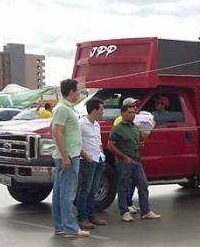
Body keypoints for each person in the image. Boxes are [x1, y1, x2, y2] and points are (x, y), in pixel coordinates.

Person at [49, 79, 89, 238]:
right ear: (71, 92)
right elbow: (57, 132)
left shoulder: (65, 108)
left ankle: (60, 225)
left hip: (68, 154)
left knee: (60, 192)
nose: (79, 93)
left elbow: (54, 129)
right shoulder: (63, 109)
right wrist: (66, 156)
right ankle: (70, 228)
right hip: (69, 156)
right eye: (77, 91)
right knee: (68, 192)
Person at [108, 100, 160, 221]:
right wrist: (124, 157)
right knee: (123, 186)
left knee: (143, 185)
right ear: (123, 113)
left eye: (134, 112)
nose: (132, 115)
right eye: (130, 112)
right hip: (124, 162)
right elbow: (110, 146)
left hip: (136, 160)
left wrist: (139, 146)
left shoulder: (135, 127)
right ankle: (124, 211)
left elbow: (136, 142)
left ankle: (145, 211)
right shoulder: (117, 128)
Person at [75, 98, 108, 231]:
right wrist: (86, 156)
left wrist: (102, 155)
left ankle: (91, 216)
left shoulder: (96, 125)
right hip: (87, 161)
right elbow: (76, 143)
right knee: (85, 189)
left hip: (98, 159)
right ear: (94, 110)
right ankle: (82, 218)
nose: (103, 112)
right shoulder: (81, 124)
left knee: (93, 190)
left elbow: (99, 142)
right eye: (101, 109)